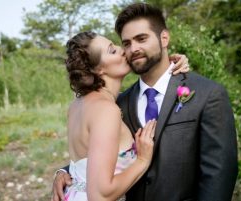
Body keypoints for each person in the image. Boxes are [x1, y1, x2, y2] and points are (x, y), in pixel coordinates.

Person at [54, 3, 238, 201]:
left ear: (164, 38)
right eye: (125, 43)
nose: (133, 49)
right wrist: (64, 172)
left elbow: (220, 174)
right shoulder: (118, 104)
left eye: (141, 39)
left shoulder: (207, 94)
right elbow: (96, 157)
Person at [56, 31, 189, 201]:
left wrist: (166, 64)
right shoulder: (106, 110)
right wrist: (142, 160)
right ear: (98, 70)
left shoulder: (78, 104)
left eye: (116, 44)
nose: (121, 49)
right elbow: (100, 195)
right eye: (112, 50)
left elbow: (85, 163)